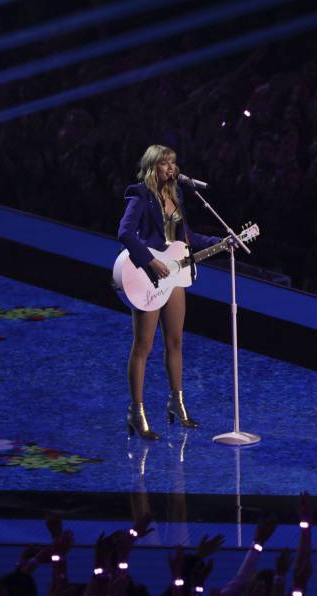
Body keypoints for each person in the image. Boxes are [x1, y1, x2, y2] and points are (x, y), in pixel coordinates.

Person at [117, 144, 223, 440]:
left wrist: (222, 240)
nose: (171, 168)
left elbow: (188, 237)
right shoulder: (140, 194)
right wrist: (149, 261)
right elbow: (124, 232)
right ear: (153, 165)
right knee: (143, 346)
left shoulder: (176, 196)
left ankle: (176, 402)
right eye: (165, 163)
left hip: (174, 275)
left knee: (175, 341)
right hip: (148, 273)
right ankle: (136, 411)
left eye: (174, 162)